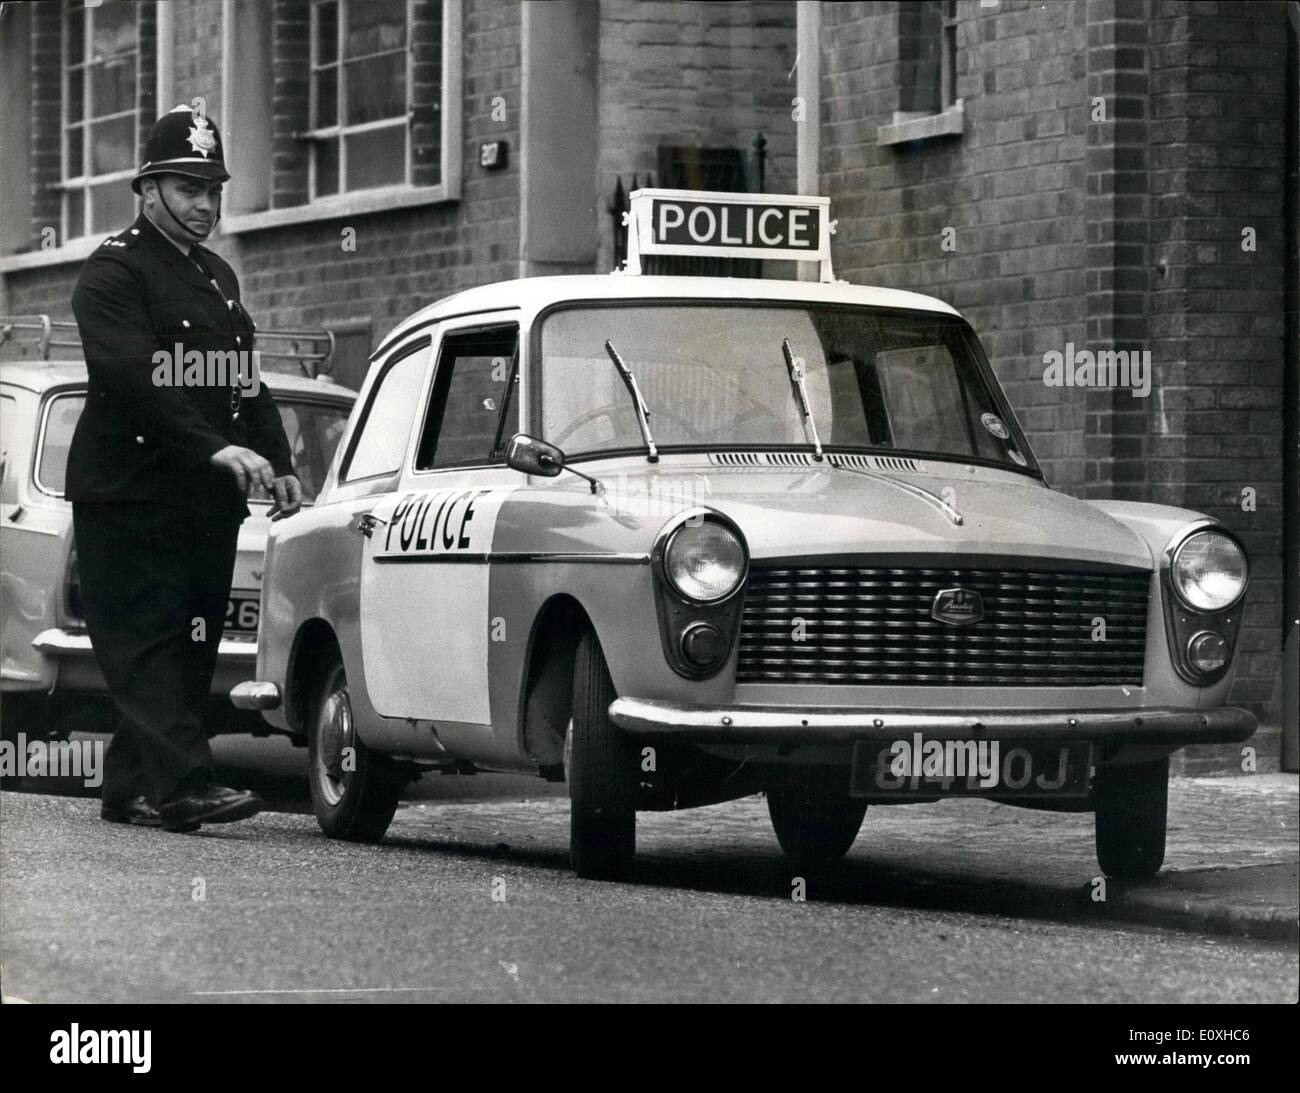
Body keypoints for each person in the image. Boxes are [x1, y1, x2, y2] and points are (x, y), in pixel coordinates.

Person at [68, 105, 301, 832]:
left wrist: (280, 458)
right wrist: (211, 447)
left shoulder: (217, 275)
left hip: (203, 499)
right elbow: (135, 378)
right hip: (129, 494)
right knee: (144, 640)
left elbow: (244, 379)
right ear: (147, 189)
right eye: (188, 189)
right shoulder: (113, 272)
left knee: (193, 640)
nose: (205, 206)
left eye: (213, 191)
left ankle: (127, 784)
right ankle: (185, 787)